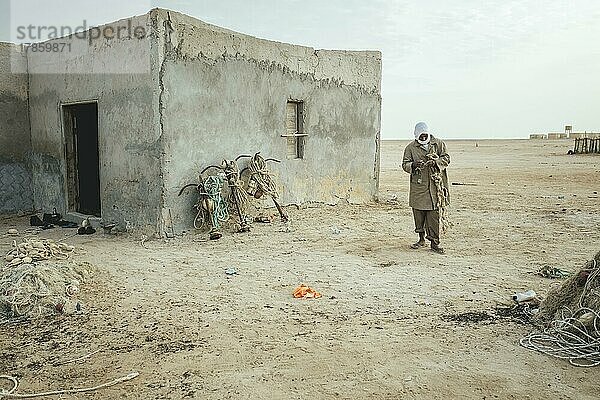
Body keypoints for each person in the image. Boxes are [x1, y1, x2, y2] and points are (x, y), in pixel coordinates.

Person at [402, 122, 450, 254]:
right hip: (418, 187)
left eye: (425, 136)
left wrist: (435, 162)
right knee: (419, 214)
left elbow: (446, 158)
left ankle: (435, 243)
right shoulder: (410, 148)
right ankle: (421, 239)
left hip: (435, 187)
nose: (423, 138)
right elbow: (405, 164)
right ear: (416, 135)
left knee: (433, 215)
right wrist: (413, 165)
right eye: (421, 136)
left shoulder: (438, 144)